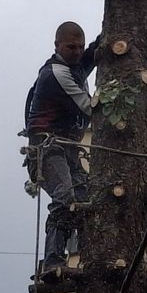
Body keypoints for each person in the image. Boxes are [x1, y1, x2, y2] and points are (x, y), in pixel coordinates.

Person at [25, 21, 100, 271]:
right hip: (46, 146)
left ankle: (90, 254)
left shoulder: (74, 66)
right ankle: (52, 260)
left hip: (67, 147)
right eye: (71, 47)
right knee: (65, 195)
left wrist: (107, 38)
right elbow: (88, 107)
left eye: (80, 47)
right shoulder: (56, 74)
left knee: (86, 197)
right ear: (57, 45)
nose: (77, 52)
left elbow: (92, 53)